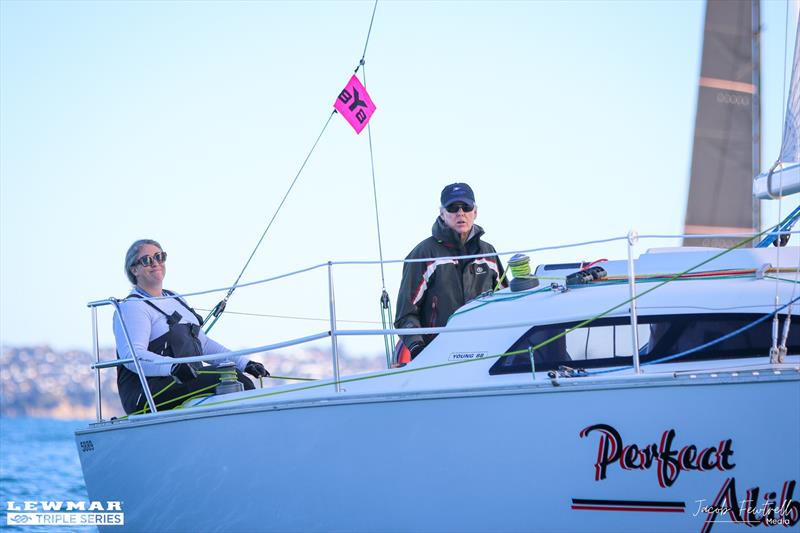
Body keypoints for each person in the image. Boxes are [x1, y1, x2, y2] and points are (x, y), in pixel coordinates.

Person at [113, 239, 269, 415]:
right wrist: (173, 367)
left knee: (237, 377)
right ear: (134, 270)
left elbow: (203, 343)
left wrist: (244, 363)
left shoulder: (176, 299)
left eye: (160, 257)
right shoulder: (133, 307)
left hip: (184, 382)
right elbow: (133, 357)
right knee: (232, 380)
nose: (156, 263)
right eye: (147, 260)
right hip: (148, 394)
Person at [394, 183, 507, 361]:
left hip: (485, 353)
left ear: (475, 212)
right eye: (453, 208)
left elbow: (507, 302)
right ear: (442, 213)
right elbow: (405, 314)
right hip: (439, 356)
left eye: (466, 207)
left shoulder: (488, 253)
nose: (460, 213)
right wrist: (419, 350)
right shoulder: (424, 254)